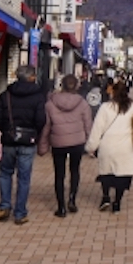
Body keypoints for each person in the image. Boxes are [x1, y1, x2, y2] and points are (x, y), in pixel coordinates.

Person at [0, 65, 47, 225]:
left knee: (5, 173)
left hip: (9, 140)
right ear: (31, 77)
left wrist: (7, 130)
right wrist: (34, 133)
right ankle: (20, 213)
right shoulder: (38, 96)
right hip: (28, 141)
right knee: (24, 177)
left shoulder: (6, 95)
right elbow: (41, 120)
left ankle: (4, 206)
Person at [38, 74, 92, 217]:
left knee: (59, 174)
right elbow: (88, 124)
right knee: (75, 170)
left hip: (58, 142)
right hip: (77, 141)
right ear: (76, 86)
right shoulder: (82, 103)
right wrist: (90, 142)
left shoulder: (50, 103)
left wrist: (43, 145)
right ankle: (72, 199)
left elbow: (46, 126)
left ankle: (61, 207)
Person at [85, 85, 133, 213]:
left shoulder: (105, 107)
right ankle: (117, 203)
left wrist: (91, 146)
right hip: (124, 147)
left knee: (106, 172)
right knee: (122, 175)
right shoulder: (132, 107)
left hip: (107, 146)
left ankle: (105, 197)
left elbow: (97, 128)